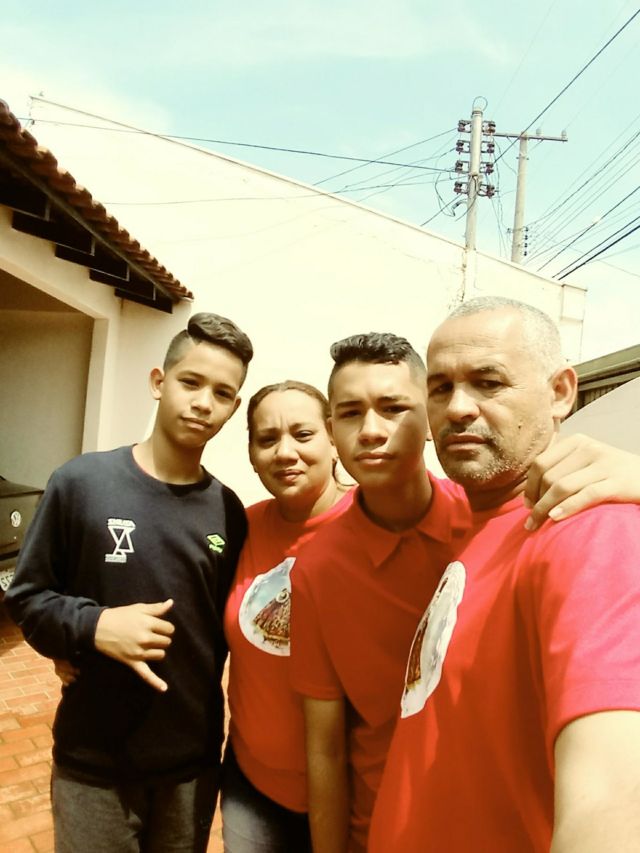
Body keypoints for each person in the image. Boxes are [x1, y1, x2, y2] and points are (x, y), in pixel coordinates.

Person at [289, 330, 640, 853]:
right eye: (350, 413)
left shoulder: (546, 519)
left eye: (394, 408)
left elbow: (610, 782)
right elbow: (325, 745)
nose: (372, 431)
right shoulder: (318, 569)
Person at [5, 312, 253, 853]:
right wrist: (93, 627)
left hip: (189, 767)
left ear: (234, 408)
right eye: (191, 382)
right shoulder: (81, 483)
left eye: (222, 393)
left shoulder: (229, 512)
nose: (204, 402)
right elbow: (26, 599)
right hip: (93, 763)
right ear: (159, 382)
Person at [221, 380, 353, 853]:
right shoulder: (242, 525)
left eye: (303, 434)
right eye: (267, 439)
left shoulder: (375, 521)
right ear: (252, 454)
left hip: (353, 792)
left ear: (333, 440)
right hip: (252, 786)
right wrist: (83, 634)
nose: (284, 452)